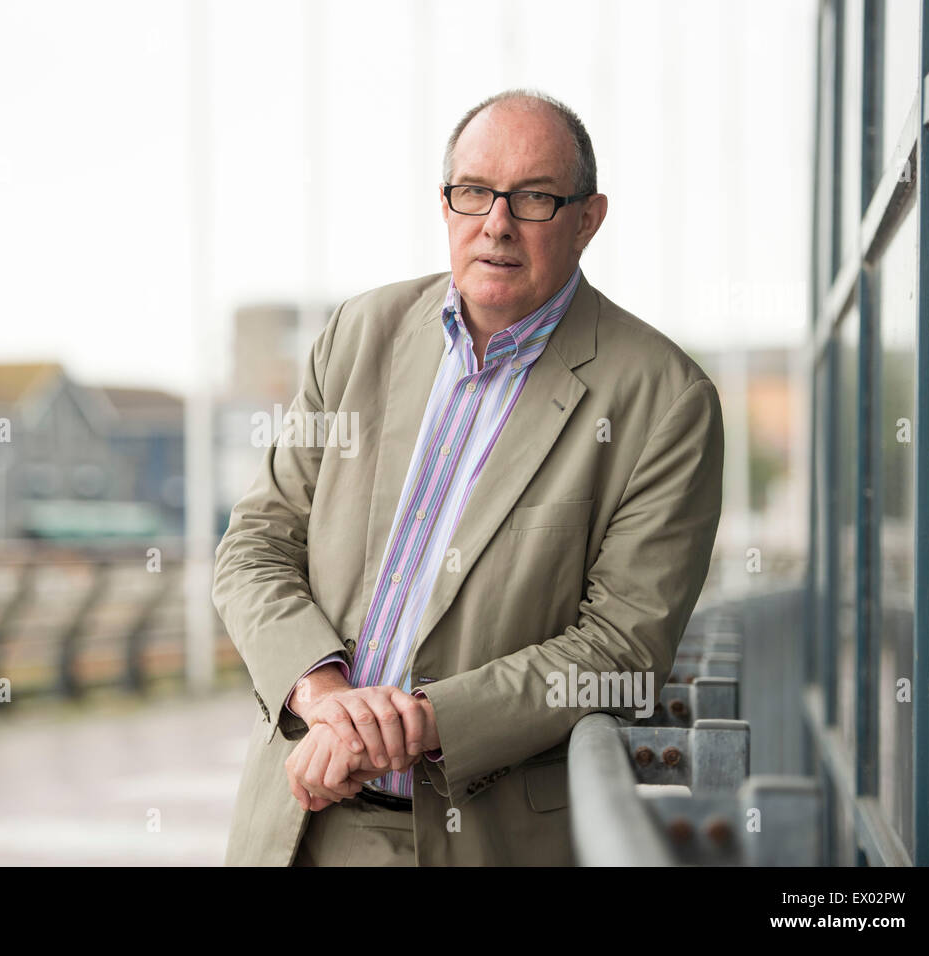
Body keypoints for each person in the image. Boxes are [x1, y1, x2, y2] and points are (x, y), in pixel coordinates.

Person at [212, 88, 724, 866]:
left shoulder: (664, 400)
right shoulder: (358, 334)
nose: (497, 223)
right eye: (475, 192)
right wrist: (324, 699)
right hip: (296, 817)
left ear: (589, 219)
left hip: (478, 835)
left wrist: (410, 724)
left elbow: (620, 650)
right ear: (446, 203)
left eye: (536, 198)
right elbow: (254, 545)